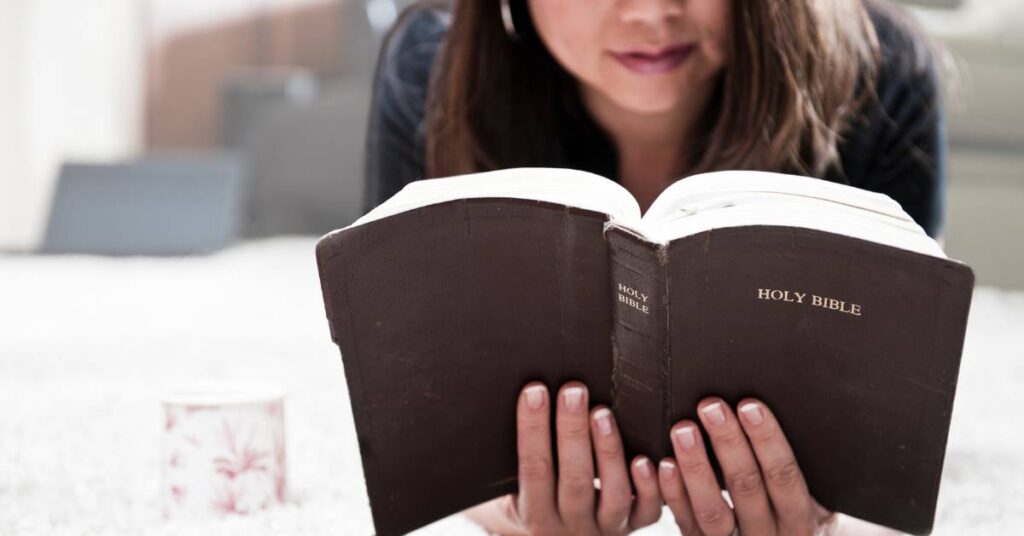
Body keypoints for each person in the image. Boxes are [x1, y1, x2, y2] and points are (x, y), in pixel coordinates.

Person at [363, 0, 946, 534]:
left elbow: (909, 396)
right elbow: (406, 396)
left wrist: (832, 513)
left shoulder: (881, 72)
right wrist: (496, 504)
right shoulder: (428, 71)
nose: (650, 12)